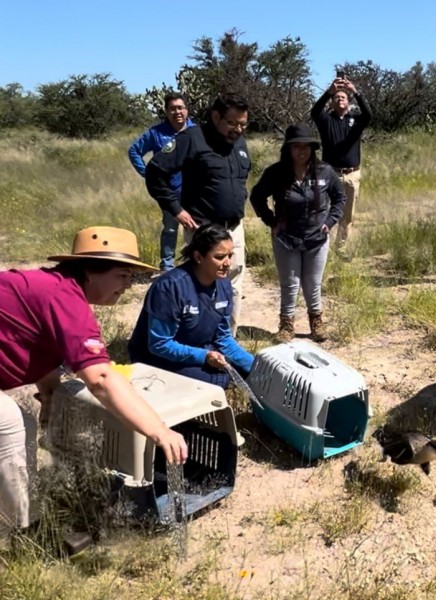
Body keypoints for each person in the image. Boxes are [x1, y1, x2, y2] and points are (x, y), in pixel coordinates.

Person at [0, 227, 187, 535]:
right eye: (122, 275)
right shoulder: (64, 298)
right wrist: (160, 430)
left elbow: (40, 350)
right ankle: (19, 532)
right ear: (89, 270)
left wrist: (49, 396)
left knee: (21, 423)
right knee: (10, 423)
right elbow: (100, 379)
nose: (128, 285)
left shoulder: (55, 288)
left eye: (132, 277)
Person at [145, 93, 251, 332]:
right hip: (203, 228)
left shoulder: (239, 143)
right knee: (200, 286)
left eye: (243, 124)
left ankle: (227, 339)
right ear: (216, 117)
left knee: (232, 286)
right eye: (232, 123)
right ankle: (197, 339)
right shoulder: (192, 138)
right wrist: (176, 210)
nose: (238, 130)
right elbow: (155, 172)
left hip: (234, 228)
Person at [249, 124, 346, 343]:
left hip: (316, 238)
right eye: (296, 147)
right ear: (288, 149)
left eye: (306, 146)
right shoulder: (276, 172)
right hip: (286, 238)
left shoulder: (325, 171)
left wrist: (330, 221)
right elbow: (257, 197)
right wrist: (271, 221)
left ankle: (316, 321)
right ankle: (286, 325)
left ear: (313, 148)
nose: (302, 151)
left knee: (313, 283)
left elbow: (340, 198)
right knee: (290, 283)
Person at [128, 224, 254, 388]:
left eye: (230, 255)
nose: (228, 263)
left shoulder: (224, 285)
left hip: (198, 347)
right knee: (220, 380)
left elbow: (223, 338)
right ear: (198, 257)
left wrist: (255, 366)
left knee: (246, 371)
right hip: (157, 357)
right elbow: (159, 344)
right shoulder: (170, 287)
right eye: (220, 257)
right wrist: (204, 356)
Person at [128, 92, 194, 272]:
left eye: (180, 108)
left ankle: (195, 264)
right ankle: (167, 266)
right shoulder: (156, 133)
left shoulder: (197, 132)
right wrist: (149, 174)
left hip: (195, 191)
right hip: (169, 191)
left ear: (187, 110)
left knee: (196, 228)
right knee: (170, 228)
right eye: (172, 109)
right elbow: (134, 151)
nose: (177, 112)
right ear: (166, 111)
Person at [310, 75, 372, 248]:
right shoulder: (326, 120)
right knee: (323, 209)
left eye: (343, 97)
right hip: (330, 174)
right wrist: (329, 92)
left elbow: (369, 115)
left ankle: (341, 247)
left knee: (347, 214)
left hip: (352, 174)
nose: (340, 99)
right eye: (336, 97)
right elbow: (315, 112)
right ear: (332, 102)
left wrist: (355, 92)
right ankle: (323, 244)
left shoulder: (356, 120)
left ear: (349, 102)